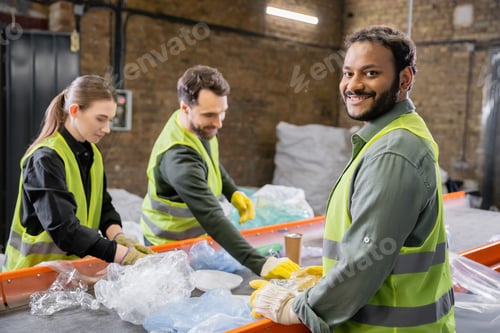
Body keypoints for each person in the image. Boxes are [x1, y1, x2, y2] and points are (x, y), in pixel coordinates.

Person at [250, 26, 456, 332]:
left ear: (404, 79)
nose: (353, 85)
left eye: (370, 73)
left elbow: (367, 261)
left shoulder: (393, 152)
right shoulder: (392, 137)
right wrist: (331, 274)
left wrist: (299, 305)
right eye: (348, 73)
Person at [140, 65, 299, 279]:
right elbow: (212, 218)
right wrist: (259, 264)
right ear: (185, 108)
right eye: (210, 115)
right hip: (168, 248)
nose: (218, 123)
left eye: (222, 112)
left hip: (194, 241)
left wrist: (232, 191)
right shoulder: (179, 159)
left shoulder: (198, 126)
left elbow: (210, 163)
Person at [2, 75, 153, 272]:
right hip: (31, 277)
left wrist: (118, 236)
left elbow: (103, 206)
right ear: (75, 111)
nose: (107, 129)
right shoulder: (45, 159)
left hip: (69, 275)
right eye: (101, 119)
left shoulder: (93, 154)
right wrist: (122, 255)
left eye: (110, 120)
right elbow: (64, 230)